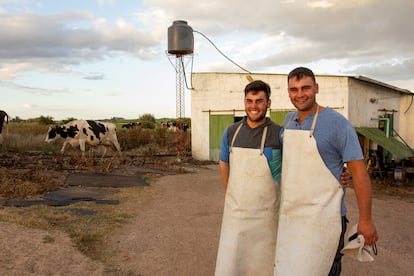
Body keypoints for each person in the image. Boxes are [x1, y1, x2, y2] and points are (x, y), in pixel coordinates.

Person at [273, 67, 378, 276]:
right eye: (294, 89)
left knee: (323, 270)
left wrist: (366, 220)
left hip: (326, 218)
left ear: (316, 88)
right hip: (292, 217)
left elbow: (358, 173)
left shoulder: (339, 125)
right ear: (288, 92)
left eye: (305, 88)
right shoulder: (288, 121)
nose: (300, 94)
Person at [215, 80, 282, 276]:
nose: (254, 106)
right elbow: (223, 162)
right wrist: (231, 194)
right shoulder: (231, 133)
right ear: (244, 102)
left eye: (259, 101)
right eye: (249, 101)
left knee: (264, 267)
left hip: (267, 218)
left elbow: (294, 169)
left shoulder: (279, 134)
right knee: (233, 265)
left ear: (269, 103)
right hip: (236, 215)